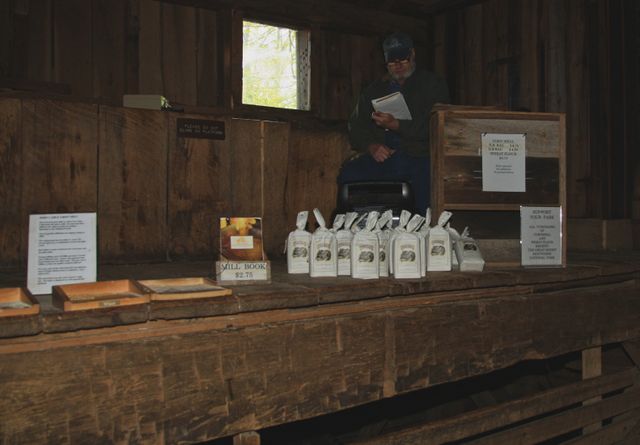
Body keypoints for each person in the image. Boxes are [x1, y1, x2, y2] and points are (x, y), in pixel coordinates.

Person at [338, 32, 450, 214]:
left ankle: (421, 231)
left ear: (413, 54)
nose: (398, 65)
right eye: (392, 60)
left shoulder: (432, 85)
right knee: (349, 174)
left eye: (403, 59)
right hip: (385, 157)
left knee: (426, 183)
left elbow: (438, 125)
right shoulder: (374, 90)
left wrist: (397, 125)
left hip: (421, 156)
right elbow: (355, 125)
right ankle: (360, 228)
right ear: (385, 60)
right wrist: (372, 146)